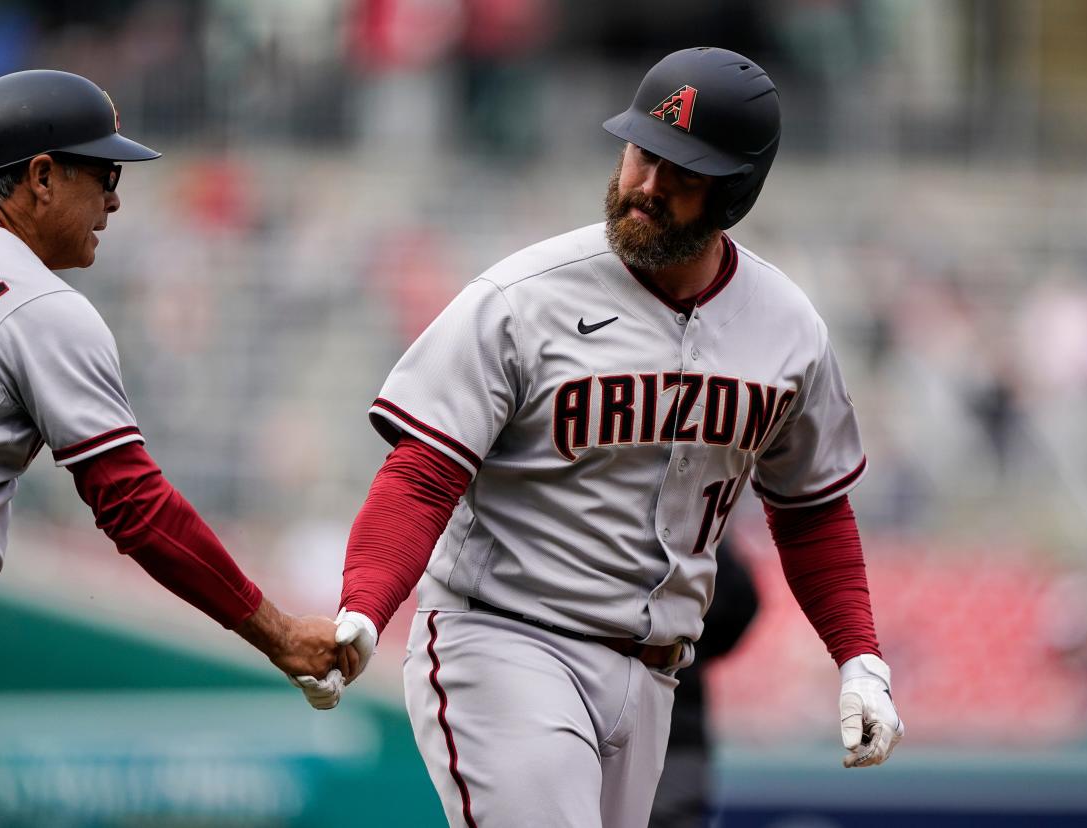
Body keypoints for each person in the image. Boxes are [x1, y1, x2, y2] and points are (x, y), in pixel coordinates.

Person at [296, 47, 903, 826]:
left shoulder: (789, 331)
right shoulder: (523, 299)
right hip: (506, 639)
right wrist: (366, 606)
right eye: (641, 153)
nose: (646, 186)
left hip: (655, 676)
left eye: (680, 170)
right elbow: (422, 474)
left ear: (736, 191)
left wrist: (859, 658)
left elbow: (812, 509)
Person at [0, 70, 354, 826]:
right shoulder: (38, 301)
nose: (116, 200)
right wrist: (279, 633)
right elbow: (136, 507)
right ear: (42, 177)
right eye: (105, 173)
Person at [649, 538, 759, 828]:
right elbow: (742, 603)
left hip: (673, 730)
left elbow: (743, 601)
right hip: (676, 724)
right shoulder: (690, 535)